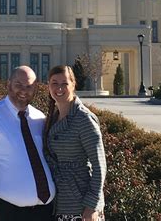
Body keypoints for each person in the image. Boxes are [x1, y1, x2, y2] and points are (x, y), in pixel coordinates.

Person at [0, 65, 55, 221]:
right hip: (7, 211)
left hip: (46, 210)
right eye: (18, 85)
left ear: (35, 89)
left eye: (29, 86)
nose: (23, 90)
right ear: (8, 84)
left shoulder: (39, 117)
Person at [44, 65, 106, 221]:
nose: (59, 88)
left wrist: (92, 205)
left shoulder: (83, 119)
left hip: (81, 205)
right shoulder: (52, 117)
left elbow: (100, 165)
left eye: (64, 83)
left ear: (73, 84)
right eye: (54, 83)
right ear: (48, 86)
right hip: (59, 202)